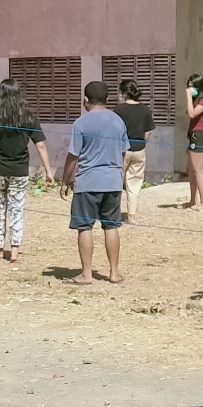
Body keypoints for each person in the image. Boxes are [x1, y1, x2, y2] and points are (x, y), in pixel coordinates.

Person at [61, 81, 128, 284]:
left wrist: (65, 181)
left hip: (88, 182)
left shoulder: (81, 123)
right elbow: (123, 152)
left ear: (86, 99)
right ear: (107, 99)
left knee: (85, 226)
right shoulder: (118, 122)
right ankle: (114, 272)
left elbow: (73, 156)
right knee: (111, 226)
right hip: (112, 182)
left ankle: (87, 274)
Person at [0, 77, 52, 263]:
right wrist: (48, 171)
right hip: (20, 170)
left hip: (0, 169)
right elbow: (41, 145)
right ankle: (14, 251)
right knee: (16, 209)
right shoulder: (29, 117)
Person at [117, 80, 156, 217]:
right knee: (134, 184)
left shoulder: (118, 110)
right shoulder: (145, 109)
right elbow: (148, 132)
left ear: (124, 93)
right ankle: (131, 216)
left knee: (116, 181)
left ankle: (113, 213)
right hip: (139, 150)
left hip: (122, 150)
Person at [183, 74, 203, 209]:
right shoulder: (197, 101)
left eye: (192, 87)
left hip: (199, 136)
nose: (190, 89)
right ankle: (192, 200)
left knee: (198, 170)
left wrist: (189, 97)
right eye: (188, 86)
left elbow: (192, 114)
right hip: (193, 136)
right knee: (191, 169)